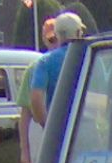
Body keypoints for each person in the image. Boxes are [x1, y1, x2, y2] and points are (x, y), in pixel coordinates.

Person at [28, 11, 84, 150]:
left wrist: (46, 125)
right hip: (84, 125)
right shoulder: (88, 57)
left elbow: (36, 97)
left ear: (57, 34)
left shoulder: (45, 61)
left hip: (58, 126)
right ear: (78, 32)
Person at [18, 16, 58, 163]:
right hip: (39, 128)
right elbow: (25, 114)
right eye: (50, 40)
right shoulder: (34, 68)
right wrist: (24, 150)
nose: (53, 43)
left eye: (55, 39)